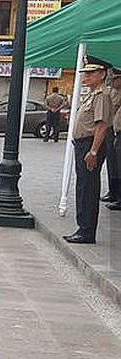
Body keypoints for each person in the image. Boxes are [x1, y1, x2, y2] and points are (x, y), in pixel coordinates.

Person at [64, 57, 112, 245]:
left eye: (91, 73)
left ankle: (86, 231)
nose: (86, 76)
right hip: (84, 144)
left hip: (91, 145)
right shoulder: (92, 94)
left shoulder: (102, 95)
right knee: (83, 186)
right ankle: (82, 228)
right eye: (86, 73)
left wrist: (93, 151)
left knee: (88, 188)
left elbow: (102, 126)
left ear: (102, 74)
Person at [104, 71, 121, 209]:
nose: (112, 82)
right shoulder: (112, 91)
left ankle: (118, 196)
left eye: (115, 79)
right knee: (112, 164)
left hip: (116, 131)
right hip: (112, 129)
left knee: (118, 165)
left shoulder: (117, 93)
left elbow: (113, 107)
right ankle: (113, 192)